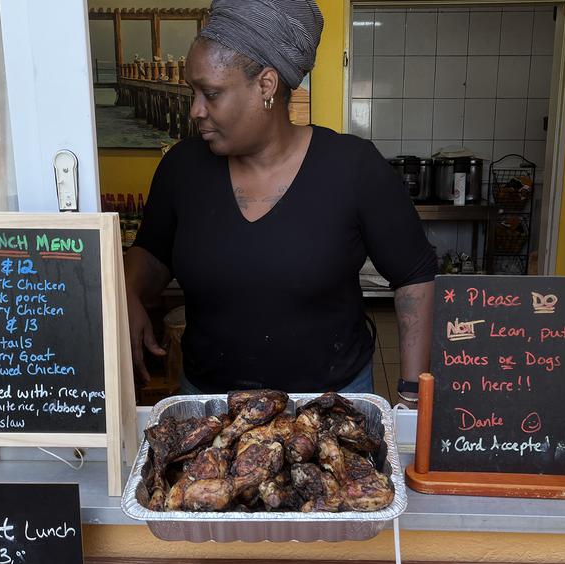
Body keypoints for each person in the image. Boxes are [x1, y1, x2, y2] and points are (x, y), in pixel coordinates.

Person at [125, 0, 436, 403]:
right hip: (212, 404)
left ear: (266, 86)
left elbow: (414, 276)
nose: (195, 110)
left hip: (329, 404)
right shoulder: (182, 168)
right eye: (193, 92)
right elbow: (152, 251)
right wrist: (127, 294)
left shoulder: (354, 168)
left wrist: (413, 396)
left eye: (211, 93)